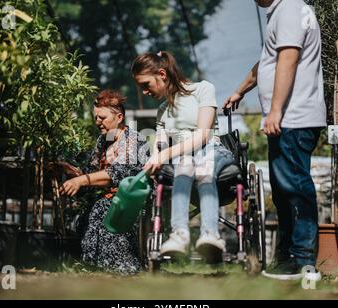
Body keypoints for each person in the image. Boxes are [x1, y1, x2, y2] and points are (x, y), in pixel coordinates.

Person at [223, 0, 326, 280]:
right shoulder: (282, 11)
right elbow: (269, 60)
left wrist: (276, 110)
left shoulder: (290, 7)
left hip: (293, 117)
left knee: (295, 187)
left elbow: (288, 58)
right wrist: (240, 91)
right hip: (287, 119)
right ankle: (288, 259)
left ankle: (303, 262)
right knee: (283, 190)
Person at [131, 51, 235, 263]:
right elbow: (160, 147)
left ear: (162, 74)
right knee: (185, 165)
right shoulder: (162, 111)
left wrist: (165, 154)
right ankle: (179, 235)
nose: (144, 92)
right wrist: (154, 160)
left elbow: (203, 134)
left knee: (203, 167)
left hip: (211, 150)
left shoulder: (203, 89)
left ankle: (210, 235)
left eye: (146, 84)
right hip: (183, 160)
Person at [58, 89, 150, 274]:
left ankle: (122, 267)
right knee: (84, 212)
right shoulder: (103, 141)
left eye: (102, 117)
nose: (97, 121)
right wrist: (70, 170)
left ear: (119, 117)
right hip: (108, 198)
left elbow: (118, 173)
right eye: (96, 117)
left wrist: (82, 180)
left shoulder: (132, 139)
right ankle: (91, 266)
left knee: (102, 209)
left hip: (130, 201)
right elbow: (90, 173)